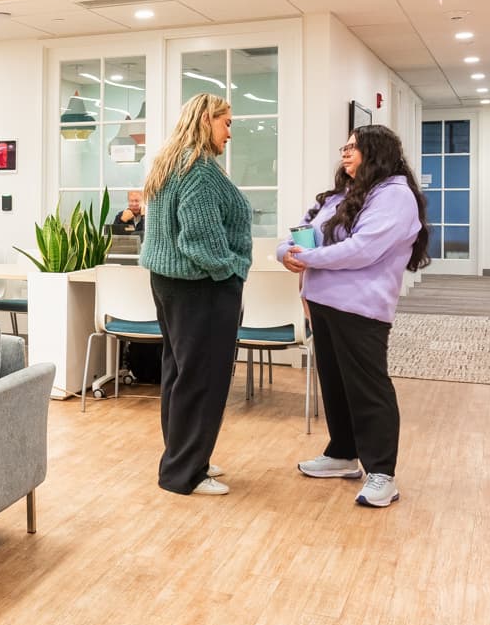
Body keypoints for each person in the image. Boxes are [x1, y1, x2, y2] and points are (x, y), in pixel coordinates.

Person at [279, 126, 429, 509]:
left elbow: (363, 250)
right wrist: (286, 252)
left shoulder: (396, 197)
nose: (345, 153)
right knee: (336, 384)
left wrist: (307, 258)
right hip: (322, 302)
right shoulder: (340, 195)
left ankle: (382, 473)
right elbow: (302, 233)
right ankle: (343, 455)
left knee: (367, 388)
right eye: (343, 146)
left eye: (353, 147)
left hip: (361, 307)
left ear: (376, 151)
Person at [138, 93, 252, 496]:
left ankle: (184, 458)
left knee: (179, 375)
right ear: (206, 119)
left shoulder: (170, 161)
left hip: (171, 284)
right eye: (227, 123)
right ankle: (184, 471)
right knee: (202, 379)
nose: (230, 133)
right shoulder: (199, 171)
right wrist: (232, 269)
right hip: (201, 285)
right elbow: (200, 241)